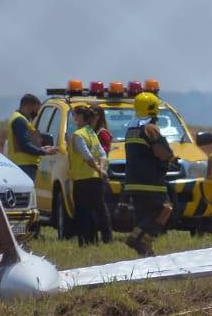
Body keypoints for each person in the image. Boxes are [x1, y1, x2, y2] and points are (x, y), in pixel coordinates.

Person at [122, 91, 174, 257]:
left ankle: (145, 250)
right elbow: (162, 153)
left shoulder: (131, 129)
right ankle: (138, 238)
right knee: (165, 209)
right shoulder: (150, 128)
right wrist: (171, 158)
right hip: (150, 181)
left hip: (132, 181)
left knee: (144, 215)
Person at [69, 106, 112, 246]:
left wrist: (98, 169)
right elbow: (102, 154)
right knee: (98, 209)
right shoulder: (91, 133)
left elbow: (87, 156)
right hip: (95, 178)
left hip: (82, 178)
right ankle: (103, 239)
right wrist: (101, 169)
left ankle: (85, 241)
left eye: (75, 115)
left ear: (81, 117)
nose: (73, 118)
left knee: (82, 211)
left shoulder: (78, 134)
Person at [6, 93, 56, 180]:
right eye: (35, 110)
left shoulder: (22, 119)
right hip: (23, 165)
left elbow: (24, 143)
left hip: (24, 165)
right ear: (28, 107)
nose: (36, 114)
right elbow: (25, 145)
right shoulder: (19, 120)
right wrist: (44, 152)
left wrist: (41, 148)